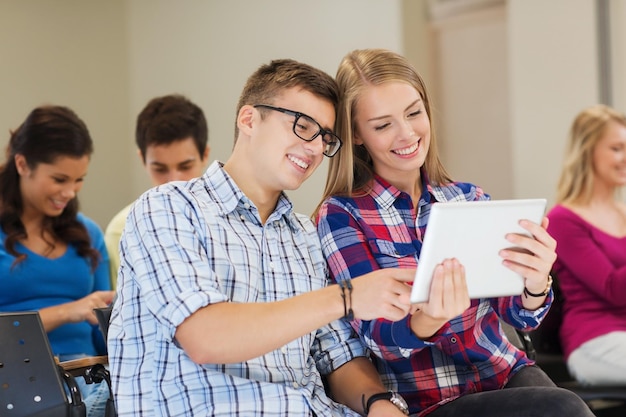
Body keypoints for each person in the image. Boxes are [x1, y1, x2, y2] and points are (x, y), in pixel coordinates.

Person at [107, 58, 418, 417]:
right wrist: (347, 296)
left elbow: (337, 355)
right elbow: (206, 338)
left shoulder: (304, 234)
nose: (316, 148)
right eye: (303, 127)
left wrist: (379, 403)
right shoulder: (168, 208)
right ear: (249, 119)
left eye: (325, 137)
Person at [315, 48, 594, 417]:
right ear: (357, 135)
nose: (408, 133)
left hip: (506, 374)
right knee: (562, 408)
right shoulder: (341, 216)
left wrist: (535, 283)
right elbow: (377, 337)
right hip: (429, 401)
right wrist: (428, 318)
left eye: (414, 113)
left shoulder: (468, 198)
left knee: (565, 407)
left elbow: (519, 316)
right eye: (383, 125)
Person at [0, 105, 115, 416]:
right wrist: (68, 311)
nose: (69, 192)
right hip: (13, 380)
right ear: (22, 164)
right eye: (59, 179)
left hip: (86, 379)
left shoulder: (89, 233)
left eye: (79, 180)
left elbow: (101, 333)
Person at [547, 104, 626, 386]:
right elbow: (613, 289)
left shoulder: (623, 213)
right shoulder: (563, 219)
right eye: (617, 148)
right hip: (595, 341)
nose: (625, 157)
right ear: (588, 151)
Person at [104, 94, 210, 287]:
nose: (173, 181)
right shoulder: (122, 229)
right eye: (160, 169)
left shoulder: (230, 220)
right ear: (142, 160)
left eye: (185, 166)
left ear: (205, 155)